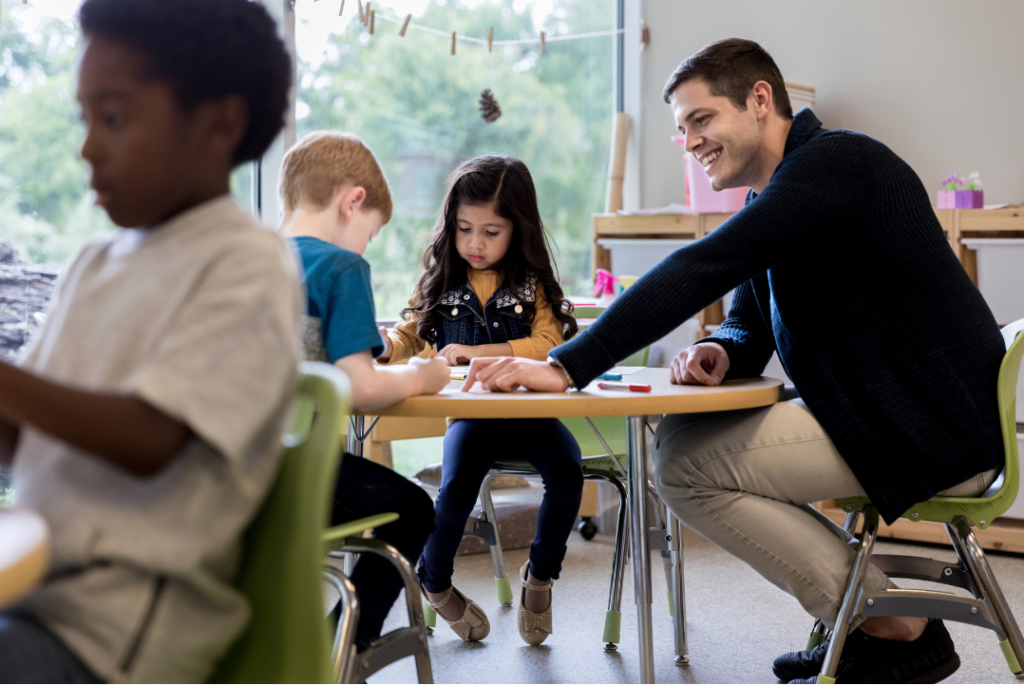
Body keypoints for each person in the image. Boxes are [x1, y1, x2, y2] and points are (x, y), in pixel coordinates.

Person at [462, 38, 1005, 683]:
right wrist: (719, 347)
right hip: (899, 414)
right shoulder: (777, 195)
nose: (690, 141)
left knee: (684, 466)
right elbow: (748, 317)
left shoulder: (838, 164)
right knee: (686, 440)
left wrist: (565, 365)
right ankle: (865, 623)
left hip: (930, 430)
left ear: (758, 100)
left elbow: (702, 266)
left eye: (701, 119)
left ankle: (889, 627)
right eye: (681, 129)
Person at [0, 0, 303, 682]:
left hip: (110, 632)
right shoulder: (91, 264)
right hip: (31, 589)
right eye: (85, 119)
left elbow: (152, 438)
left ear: (220, 123)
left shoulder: (245, 262)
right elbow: (26, 435)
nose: (86, 146)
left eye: (114, 117)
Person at [378, 155, 583, 646]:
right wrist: (385, 345)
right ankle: (434, 580)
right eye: (465, 229)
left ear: (519, 229)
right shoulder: (443, 282)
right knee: (452, 497)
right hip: (472, 416)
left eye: (491, 232)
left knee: (567, 472)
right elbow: (408, 334)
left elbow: (549, 345)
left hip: (530, 413)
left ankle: (540, 576)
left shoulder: (532, 285)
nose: (475, 243)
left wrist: (477, 351)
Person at [277, 131, 450, 653]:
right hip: (302, 474)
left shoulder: (250, 258)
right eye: (371, 234)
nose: (365, 246)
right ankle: (346, 642)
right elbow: (361, 387)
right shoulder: (340, 267)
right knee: (416, 510)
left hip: (230, 469)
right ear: (353, 202)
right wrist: (422, 376)